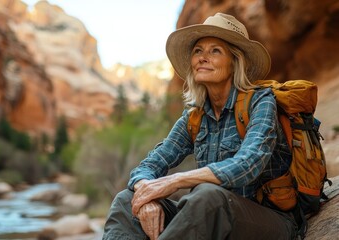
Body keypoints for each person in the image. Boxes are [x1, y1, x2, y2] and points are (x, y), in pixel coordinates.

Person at [102, 12, 298, 240]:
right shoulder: (194, 117)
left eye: (215, 51)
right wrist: (147, 193)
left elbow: (248, 164)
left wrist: (175, 180)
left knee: (207, 196)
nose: (203, 58)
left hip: (268, 220)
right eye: (198, 51)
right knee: (126, 200)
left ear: (235, 62)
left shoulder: (261, 102)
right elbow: (150, 164)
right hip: (208, 214)